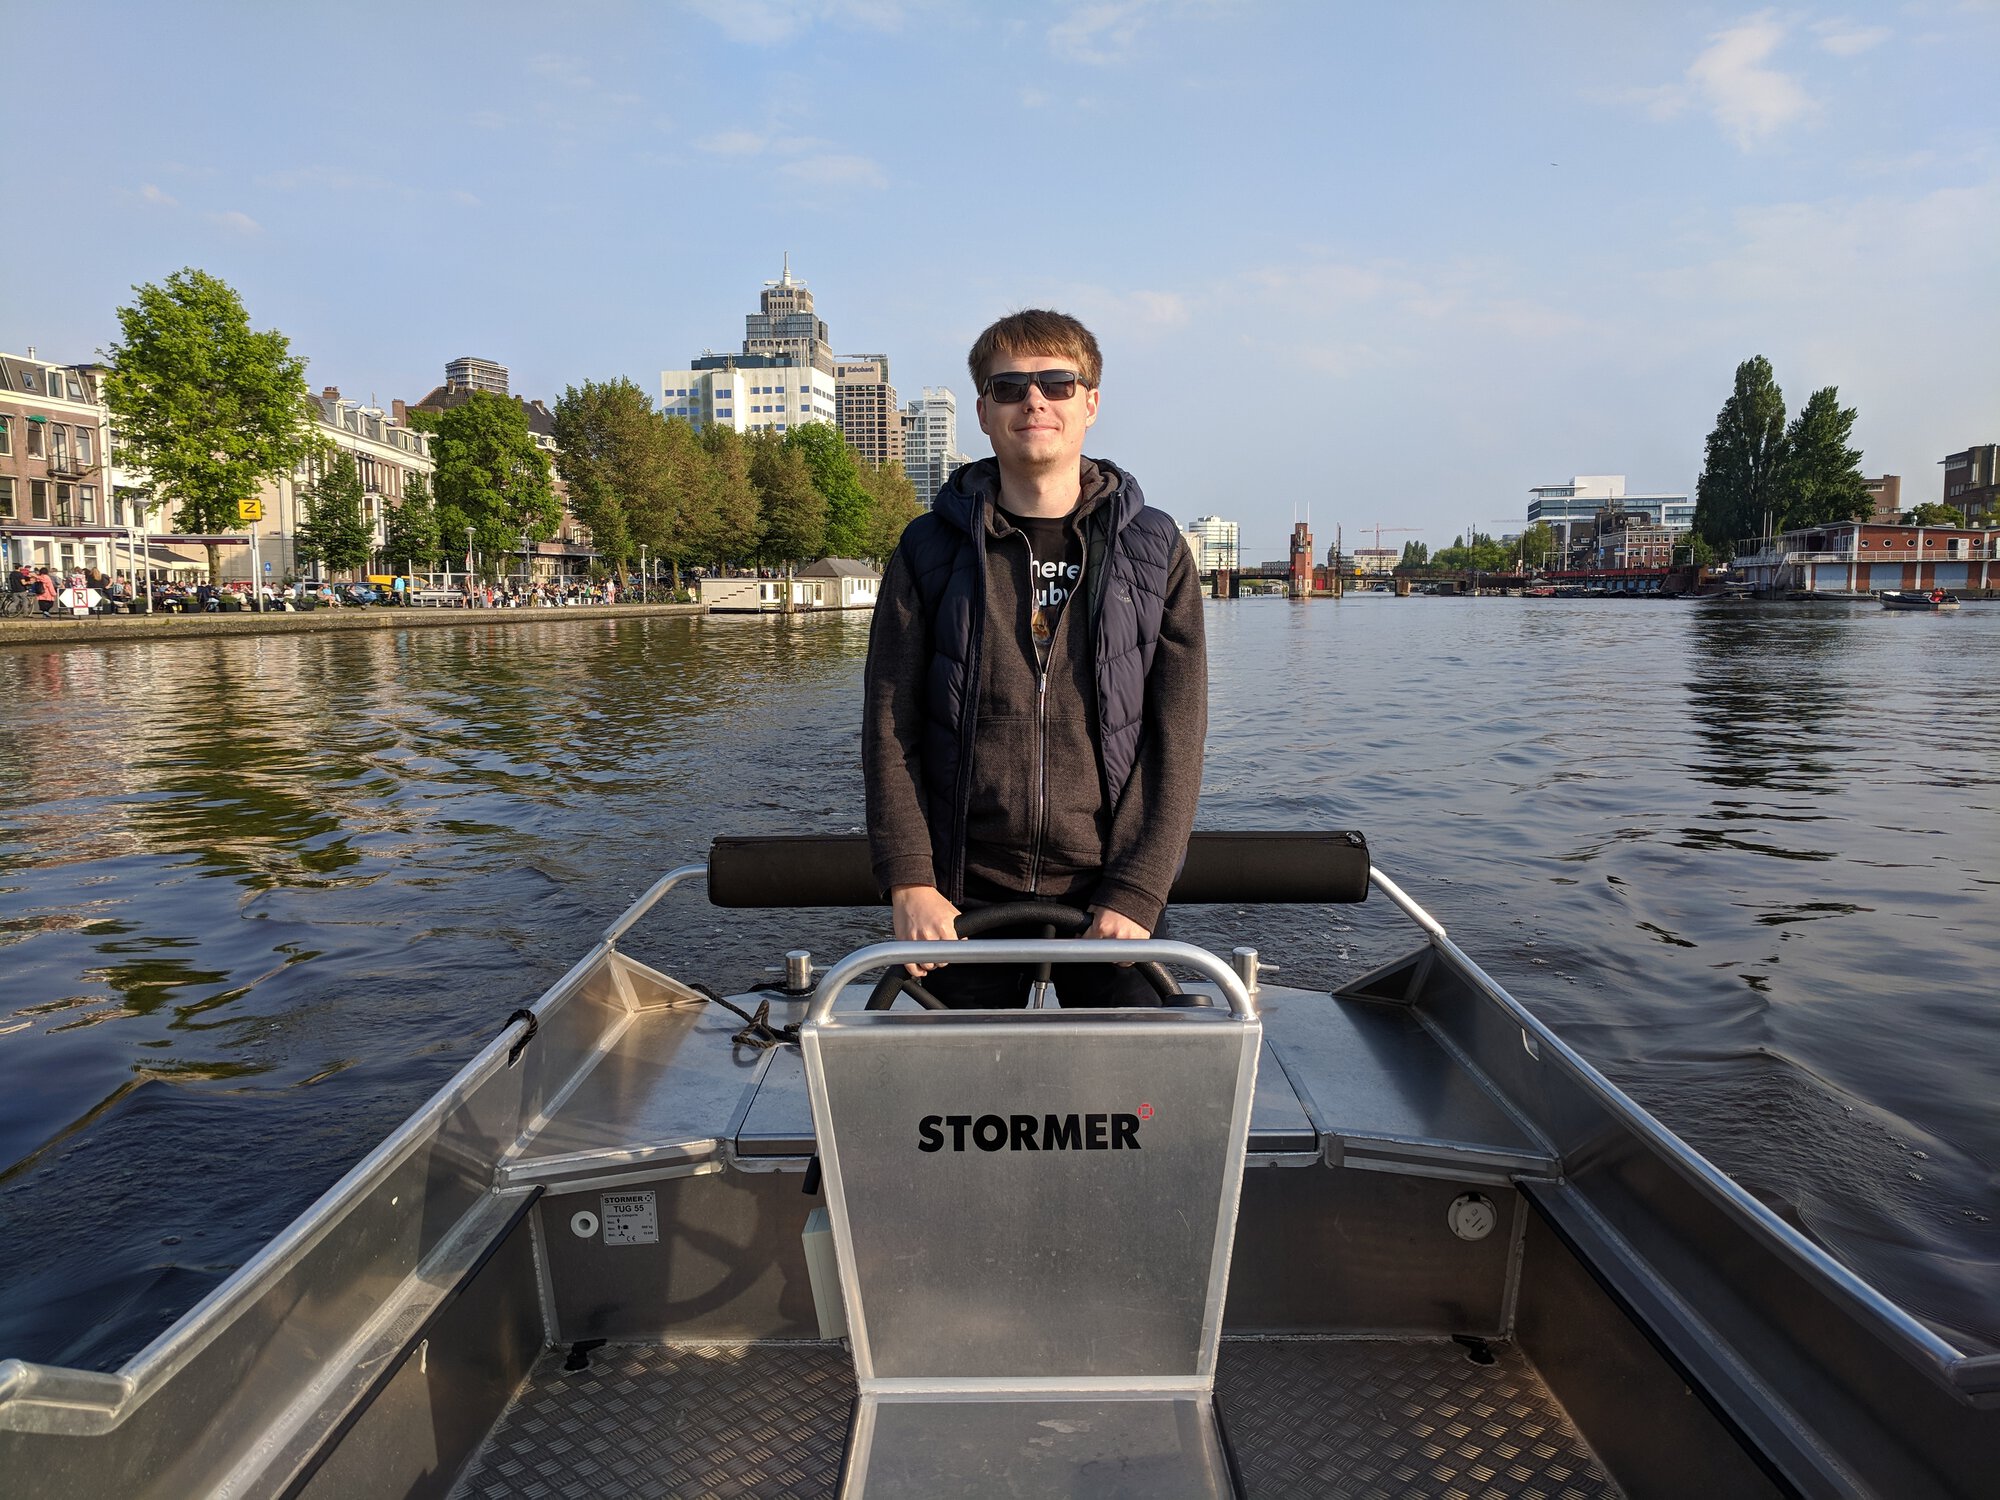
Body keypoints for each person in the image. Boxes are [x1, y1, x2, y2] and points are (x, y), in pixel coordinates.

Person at [862, 309, 1207, 1008]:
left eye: (1056, 382)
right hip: (960, 900)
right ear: (984, 412)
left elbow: (1178, 734)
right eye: (1011, 387)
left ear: (1090, 404)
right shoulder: (928, 549)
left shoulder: (1157, 548)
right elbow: (889, 726)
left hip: (1109, 900)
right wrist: (911, 880)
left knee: (1129, 1105)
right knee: (957, 1109)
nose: (1035, 401)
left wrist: (1139, 890)